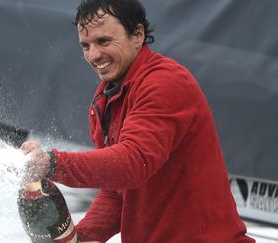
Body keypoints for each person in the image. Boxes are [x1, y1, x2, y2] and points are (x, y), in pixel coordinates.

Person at [21, 0, 255, 242]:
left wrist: (51, 163)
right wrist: (83, 236)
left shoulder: (165, 83)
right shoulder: (106, 96)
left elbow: (132, 164)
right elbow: (117, 191)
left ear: (138, 35)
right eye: (85, 45)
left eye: (103, 41)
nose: (93, 55)